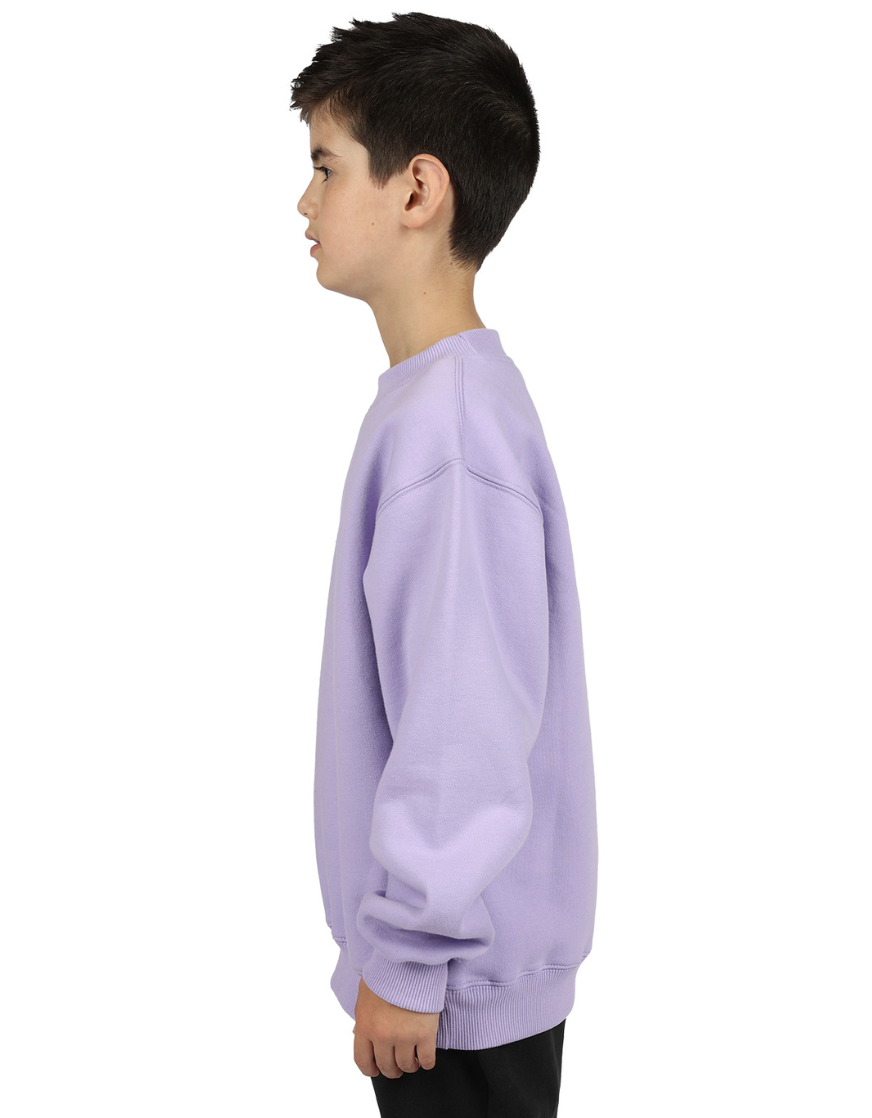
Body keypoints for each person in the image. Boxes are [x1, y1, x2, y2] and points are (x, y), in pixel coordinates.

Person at [290, 13, 598, 1117]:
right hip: (459, 968)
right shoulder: (439, 404)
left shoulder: (451, 428)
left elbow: (464, 713)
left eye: (326, 167)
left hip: (455, 982)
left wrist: (413, 953)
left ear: (418, 189)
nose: (304, 203)